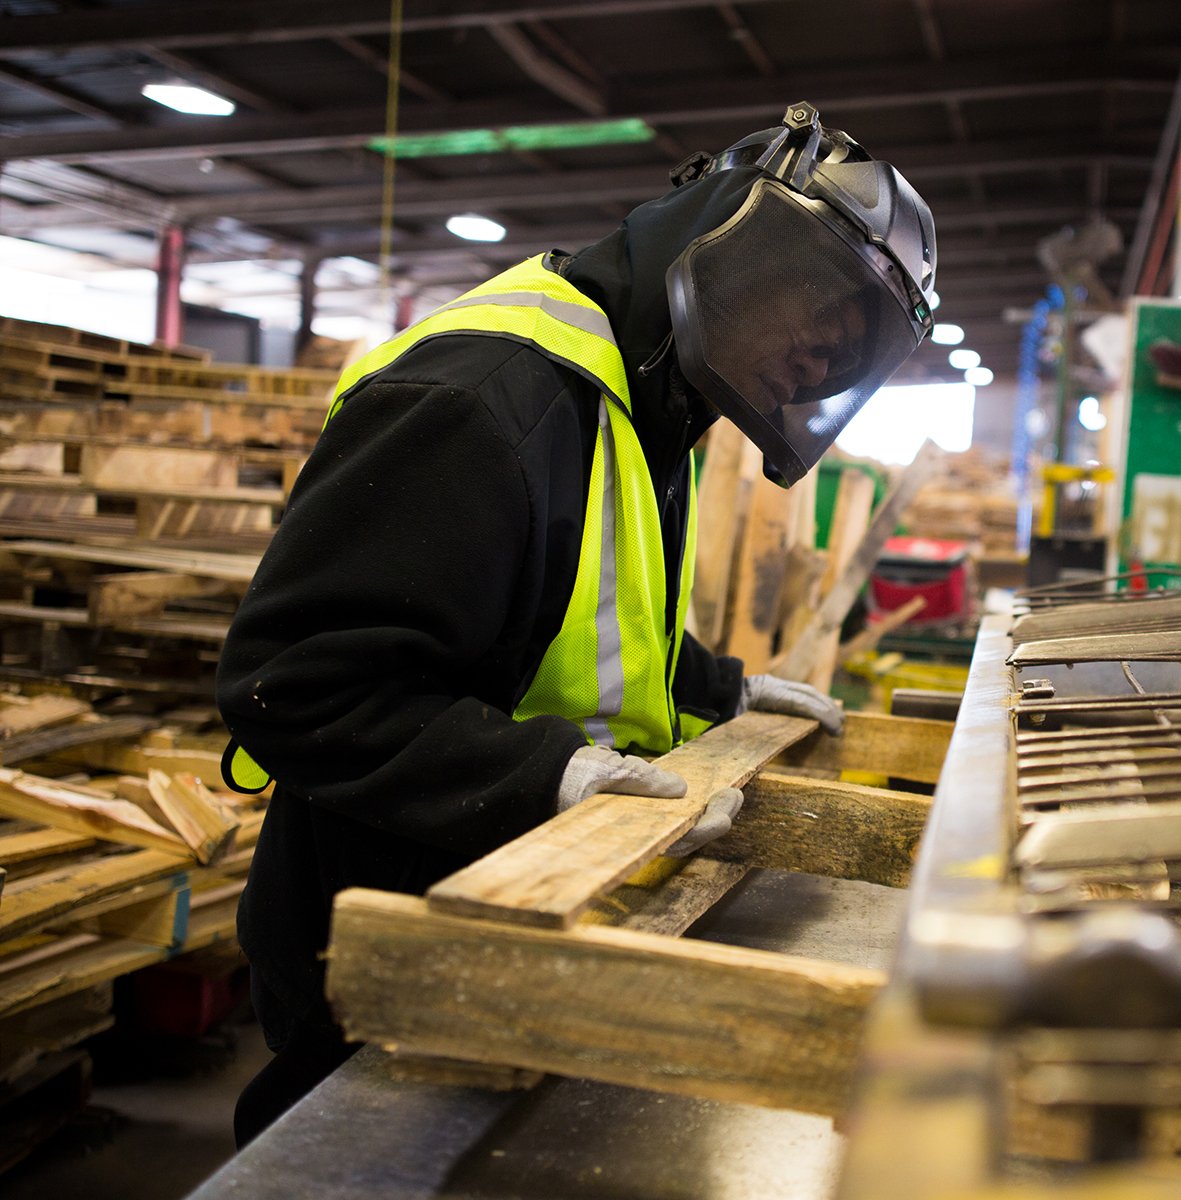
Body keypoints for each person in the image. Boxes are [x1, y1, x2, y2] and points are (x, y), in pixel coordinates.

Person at [216, 101, 937, 1146]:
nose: (822, 359)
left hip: (530, 920)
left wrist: (713, 689)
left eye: (849, 344)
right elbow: (297, 681)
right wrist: (540, 776)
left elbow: (554, 615)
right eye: (818, 311)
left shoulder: (652, 395)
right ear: (734, 242)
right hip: (391, 937)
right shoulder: (483, 398)